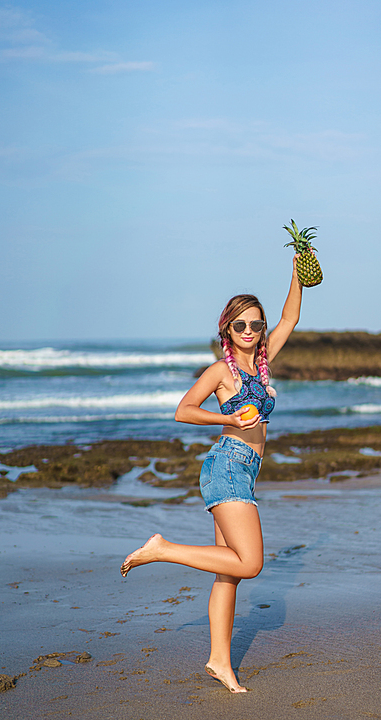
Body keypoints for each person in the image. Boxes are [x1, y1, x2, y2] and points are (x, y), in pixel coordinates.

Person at [120, 256, 305, 692]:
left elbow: (291, 316)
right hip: (227, 466)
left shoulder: (261, 363)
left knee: (229, 573)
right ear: (226, 330)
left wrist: (298, 270)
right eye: (239, 325)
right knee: (251, 563)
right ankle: (162, 549)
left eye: (255, 325)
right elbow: (183, 410)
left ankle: (220, 661)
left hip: (245, 470)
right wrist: (230, 421)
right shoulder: (223, 371)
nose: (248, 331)